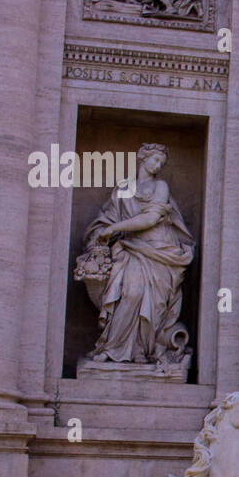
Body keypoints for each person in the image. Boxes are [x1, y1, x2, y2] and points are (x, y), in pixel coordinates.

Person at [84, 143, 194, 364]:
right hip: (130, 249)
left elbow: (151, 218)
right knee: (131, 293)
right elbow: (108, 217)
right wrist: (102, 232)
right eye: (155, 160)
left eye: (161, 163)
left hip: (160, 253)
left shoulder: (160, 186)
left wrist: (114, 229)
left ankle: (141, 350)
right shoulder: (123, 188)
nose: (158, 165)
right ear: (142, 159)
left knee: (152, 304)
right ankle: (113, 347)